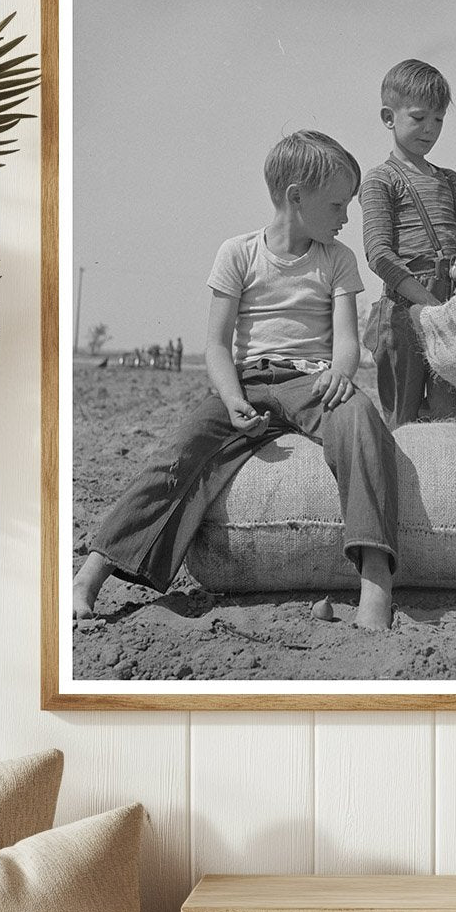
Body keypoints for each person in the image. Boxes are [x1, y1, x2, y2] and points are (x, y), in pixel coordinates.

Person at [72, 131, 399, 631]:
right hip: (244, 381)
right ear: (296, 197)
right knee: (181, 450)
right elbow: (218, 345)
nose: (345, 217)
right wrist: (230, 398)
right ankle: (91, 575)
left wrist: (341, 372)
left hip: (311, 381)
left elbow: (346, 341)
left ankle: (375, 580)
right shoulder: (238, 254)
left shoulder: (337, 260)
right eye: (337, 204)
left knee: (360, 418)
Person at [360, 59, 456, 428]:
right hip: (403, 310)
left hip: (448, 303)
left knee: (453, 416)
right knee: (403, 418)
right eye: (418, 118)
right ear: (388, 117)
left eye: (438, 120)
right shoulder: (380, 180)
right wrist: (429, 304)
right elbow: (379, 255)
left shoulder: (450, 180)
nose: (430, 129)